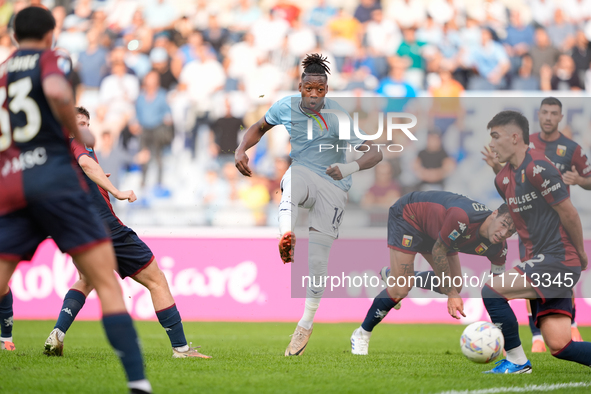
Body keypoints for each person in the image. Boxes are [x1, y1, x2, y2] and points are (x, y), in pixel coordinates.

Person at [0, 7, 151, 393]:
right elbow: (54, 90)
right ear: (50, 33)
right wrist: (73, 127)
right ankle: (138, 383)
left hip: (12, 183)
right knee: (105, 281)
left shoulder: (3, 72)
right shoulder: (53, 58)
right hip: (53, 181)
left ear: (14, 35)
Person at [235, 54, 382, 356]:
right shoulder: (285, 106)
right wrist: (240, 149)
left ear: (327, 90)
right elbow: (259, 128)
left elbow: (375, 152)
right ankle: (286, 235)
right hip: (304, 172)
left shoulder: (338, 116)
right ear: (299, 86)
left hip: (334, 183)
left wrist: (349, 168)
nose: (314, 95)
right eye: (309, 88)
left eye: (321, 90)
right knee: (292, 177)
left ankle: (305, 324)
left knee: (317, 262)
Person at [42, 107, 210, 360]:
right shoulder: (77, 143)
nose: (83, 128)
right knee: (156, 280)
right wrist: (116, 191)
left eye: (86, 123)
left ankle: (57, 333)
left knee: (86, 279)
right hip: (104, 226)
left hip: (75, 228)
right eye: (78, 123)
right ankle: (181, 349)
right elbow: (86, 163)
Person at [482, 110, 590, 374]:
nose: (492, 144)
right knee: (560, 345)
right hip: (541, 260)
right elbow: (518, 215)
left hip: (558, 259)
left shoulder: (538, 167)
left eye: (496, 137)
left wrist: (580, 254)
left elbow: (569, 213)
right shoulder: (502, 179)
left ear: (515, 137)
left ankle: (518, 362)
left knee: (492, 291)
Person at [350, 191, 515, 355]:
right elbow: (438, 251)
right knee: (401, 288)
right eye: (503, 225)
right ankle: (362, 334)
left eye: (510, 232)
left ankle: (395, 275)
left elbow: (497, 291)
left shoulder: (499, 248)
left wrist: (504, 336)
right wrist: (450, 294)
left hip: (438, 232)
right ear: (494, 214)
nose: (503, 234)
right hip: (410, 216)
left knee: (455, 286)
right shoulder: (462, 218)